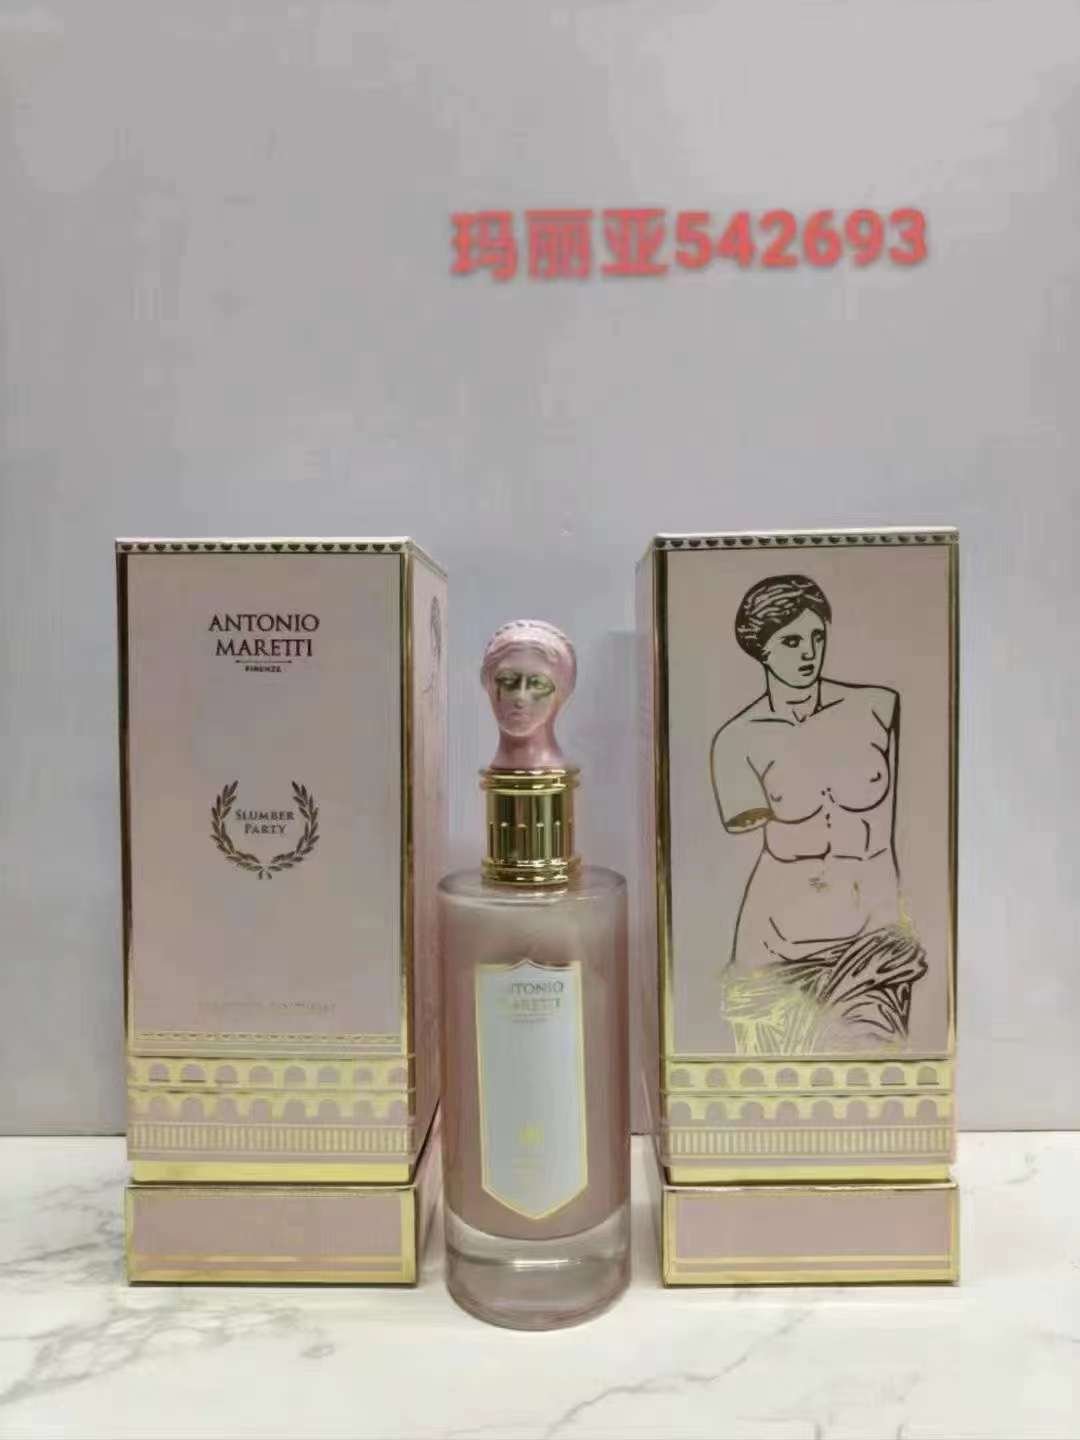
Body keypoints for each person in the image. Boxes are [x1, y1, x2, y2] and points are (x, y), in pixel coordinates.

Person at [709, 575, 926, 1054]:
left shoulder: (878, 708)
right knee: (771, 1087)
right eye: (790, 642)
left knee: (872, 1071)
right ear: (761, 650)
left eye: (816, 637)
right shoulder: (738, 740)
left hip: (871, 940)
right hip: (775, 950)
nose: (809, 653)